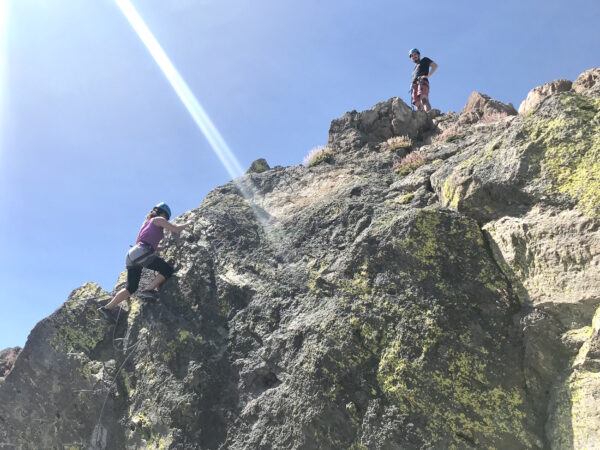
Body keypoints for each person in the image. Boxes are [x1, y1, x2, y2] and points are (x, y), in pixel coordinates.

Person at [98, 202, 191, 322]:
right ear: (163, 213)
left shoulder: (146, 224)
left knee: (131, 288)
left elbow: (140, 242)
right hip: (142, 252)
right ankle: (149, 290)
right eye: (167, 217)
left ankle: (107, 308)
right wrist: (189, 223)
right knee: (167, 269)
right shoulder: (159, 219)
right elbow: (176, 229)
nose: (166, 220)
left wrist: (161, 248)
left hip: (133, 254)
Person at [409, 48, 438, 112]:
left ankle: (428, 114)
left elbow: (435, 66)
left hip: (422, 82)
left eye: (415, 54)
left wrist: (428, 76)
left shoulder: (425, 60)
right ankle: (420, 119)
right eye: (412, 56)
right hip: (414, 86)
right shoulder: (414, 69)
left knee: (423, 99)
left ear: (419, 55)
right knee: (417, 104)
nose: (414, 56)